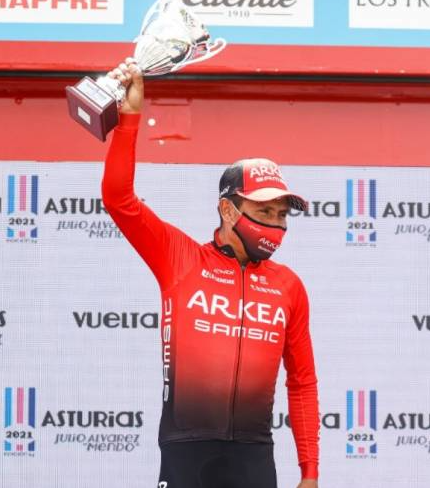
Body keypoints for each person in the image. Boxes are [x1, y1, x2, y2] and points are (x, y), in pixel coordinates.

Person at [101, 58, 320, 488]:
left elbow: (303, 381)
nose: (276, 224)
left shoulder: (288, 286)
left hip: (255, 457)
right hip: (187, 453)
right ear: (227, 208)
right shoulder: (180, 258)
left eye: (281, 214)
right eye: (264, 211)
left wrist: (309, 471)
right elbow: (119, 199)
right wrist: (129, 118)